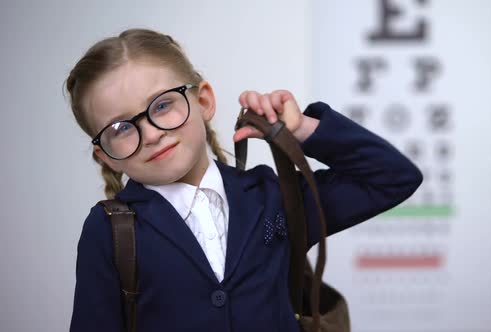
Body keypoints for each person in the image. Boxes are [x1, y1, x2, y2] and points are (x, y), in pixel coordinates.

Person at [66, 28, 422, 332]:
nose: (153, 134)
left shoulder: (272, 196)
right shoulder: (109, 230)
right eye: (121, 128)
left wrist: (300, 130)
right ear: (104, 153)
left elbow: (392, 177)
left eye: (161, 105)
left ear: (203, 100)